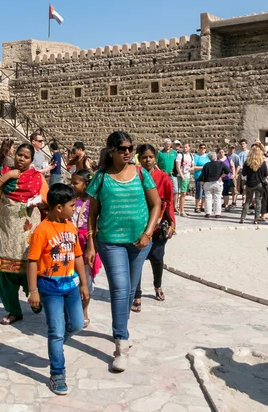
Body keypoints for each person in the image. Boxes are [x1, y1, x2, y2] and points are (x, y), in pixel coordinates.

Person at [85, 131, 161, 372]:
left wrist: (148, 233)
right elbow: (92, 214)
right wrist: (90, 243)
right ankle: (121, 342)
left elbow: (156, 204)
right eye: (122, 148)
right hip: (111, 242)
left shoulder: (141, 174)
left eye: (130, 148)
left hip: (140, 242)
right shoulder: (100, 177)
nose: (128, 152)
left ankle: (121, 328)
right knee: (119, 288)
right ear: (111, 151)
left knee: (129, 290)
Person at [27, 184, 89, 395]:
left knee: (78, 324)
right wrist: (33, 290)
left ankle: (59, 341)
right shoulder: (41, 231)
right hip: (49, 287)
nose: (75, 208)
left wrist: (83, 283)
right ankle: (57, 373)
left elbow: (78, 256)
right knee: (55, 332)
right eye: (72, 205)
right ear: (58, 207)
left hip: (70, 286)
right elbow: (33, 261)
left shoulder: (70, 227)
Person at [0, 143, 49, 325]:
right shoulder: (6, 173)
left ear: (31, 160)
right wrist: (7, 176)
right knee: (4, 271)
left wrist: (39, 204)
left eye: (26, 157)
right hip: (6, 231)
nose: (21, 159)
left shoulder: (37, 178)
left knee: (30, 267)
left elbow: (48, 204)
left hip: (28, 233)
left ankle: (35, 299)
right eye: (19, 155)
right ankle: (14, 310)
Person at [132, 144, 175, 313]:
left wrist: (171, 223)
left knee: (157, 258)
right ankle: (137, 294)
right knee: (137, 260)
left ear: (155, 158)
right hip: (137, 224)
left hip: (157, 226)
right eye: (144, 157)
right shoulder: (134, 176)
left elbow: (169, 201)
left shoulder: (163, 177)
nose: (147, 160)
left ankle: (158, 285)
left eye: (150, 157)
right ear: (139, 158)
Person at [70, 170, 102, 328]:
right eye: (72, 182)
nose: (72, 185)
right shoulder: (70, 200)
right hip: (70, 244)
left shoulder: (92, 202)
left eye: (75, 183)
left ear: (86, 184)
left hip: (85, 245)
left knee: (85, 280)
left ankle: (84, 311)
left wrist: (93, 245)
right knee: (69, 278)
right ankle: (69, 310)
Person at [239, 146, 267, 225]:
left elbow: (244, 173)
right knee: (258, 202)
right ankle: (256, 219)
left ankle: (243, 218)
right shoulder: (262, 162)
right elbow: (266, 174)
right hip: (259, 184)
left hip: (250, 183)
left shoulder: (247, 162)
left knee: (247, 201)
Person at [201, 151, 229, 218]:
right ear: (216, 157)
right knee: (218, 198)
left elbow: (203, 175)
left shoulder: (206, 165)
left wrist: (202, 183)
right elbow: (227, 171)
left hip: (208, 182)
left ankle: (208, 212)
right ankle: (217, 213)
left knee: (208, 198)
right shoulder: (221, 164)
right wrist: (221, 176)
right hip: (217, 182)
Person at [156, 138, 178, 209]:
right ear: (164, 145)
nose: (167, 146)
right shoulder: (160, 153)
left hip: (172, 174)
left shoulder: (174, 153)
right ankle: (163, 205)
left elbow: (178, 162)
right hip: (163, 175)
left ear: (171, 145)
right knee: (163, 190)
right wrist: (159, 171)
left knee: (175, 190)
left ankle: (174, 206)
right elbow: (155, 163)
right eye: (166, 144)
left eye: (169, 145)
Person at [175, 143, 193, 216]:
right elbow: (178, 166)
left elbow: (193, 166)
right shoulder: (180, 155)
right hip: (182, 175)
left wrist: (190, 169)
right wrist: (182, 176)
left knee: (184, 193)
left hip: (187, 175)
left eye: (186, 147)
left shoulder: (191, 156)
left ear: (189, 148)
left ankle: (181, 209)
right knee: (183, 193)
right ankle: (181, 210)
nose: (185, 148)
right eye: (184, 147)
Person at [192, 144, 210, 213]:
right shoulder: (196, 156)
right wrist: (203, 167)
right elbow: (194, 166)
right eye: (201, 148)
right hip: (199, 176)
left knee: (205, 192)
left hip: (206, 176)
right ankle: (197, 206)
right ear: (199, 148)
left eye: (204, 148)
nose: (203, 149)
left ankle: (203, 206)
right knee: (199, 192)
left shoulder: (208, 156)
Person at [236, 139, 249, 203]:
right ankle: (234, 201)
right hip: (239, 170)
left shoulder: (249, 152)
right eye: (241, 144)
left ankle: (244, 200)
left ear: (246, 144)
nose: (242, 145)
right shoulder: (237, 152)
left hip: (245, 171)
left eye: (244, 144)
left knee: (244, 186)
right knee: (237, 185)